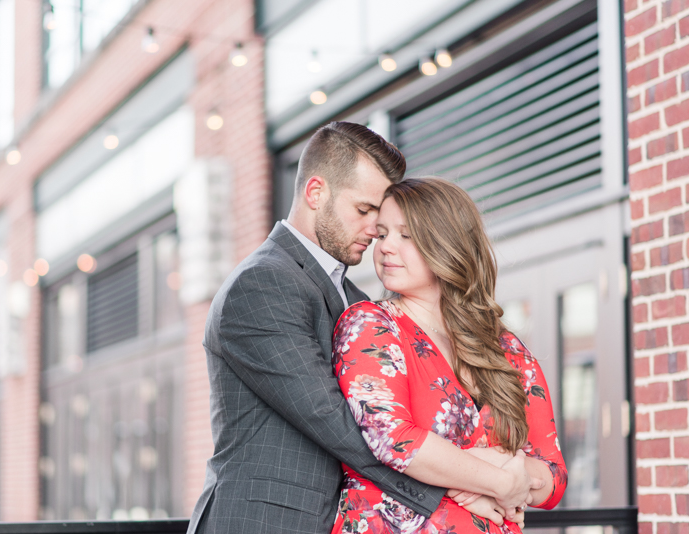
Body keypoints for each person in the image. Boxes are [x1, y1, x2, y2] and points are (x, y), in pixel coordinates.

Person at [188, 123, 538, 534]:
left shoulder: (355, 298)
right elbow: (343, 425)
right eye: (364, 210)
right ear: (316, 193)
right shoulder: (263, 284)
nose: (375, 230)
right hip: (264, 521)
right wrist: (475, 485)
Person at [331, 177, 568, 533]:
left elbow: (554, 475)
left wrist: (509, 469)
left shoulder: (505, 349)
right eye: (381, 235)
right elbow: (393, 439)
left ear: (448, 244)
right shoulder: (371, 324)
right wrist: (500, 481)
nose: (385, 248)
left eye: (406, 236)